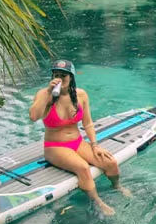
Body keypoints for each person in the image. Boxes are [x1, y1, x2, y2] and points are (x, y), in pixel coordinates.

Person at [29, 59, 128, 215]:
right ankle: (98, 202)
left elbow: (87, 123)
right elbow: (34, 116)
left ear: (72, 77)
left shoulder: (81, 95)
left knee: (110, 162)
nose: (59, 78)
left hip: (77, 142)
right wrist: (48, 92)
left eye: (64, 75)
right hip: (55, 147)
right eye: (56, 75)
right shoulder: (44, 94)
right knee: (83, 168)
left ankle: (117, 187)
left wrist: (95, 145)